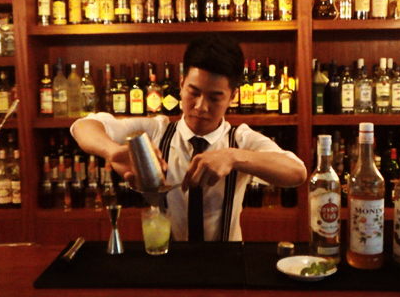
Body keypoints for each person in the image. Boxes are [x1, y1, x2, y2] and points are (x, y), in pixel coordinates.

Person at [71, 34, 306, 242]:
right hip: (167, 262)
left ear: (233, 96)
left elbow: (297, 172)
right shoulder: (157, 130)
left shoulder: (240, 140)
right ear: (182, 85)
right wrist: (113, 152)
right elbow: (82, 126)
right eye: (194, 92)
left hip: (228, 263)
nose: (201, 106)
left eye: (215, 98)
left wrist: (234, 157)